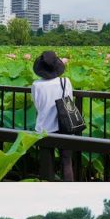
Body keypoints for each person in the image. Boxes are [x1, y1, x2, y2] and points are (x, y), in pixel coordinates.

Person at [31, 51, 75, 182]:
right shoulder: (65, 82)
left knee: (46, 163)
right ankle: (69, 189)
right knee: (67, 162)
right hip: (65, 126)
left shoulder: (36, 85)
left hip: (45, 128)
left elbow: (38, 106)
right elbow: (69, 101)